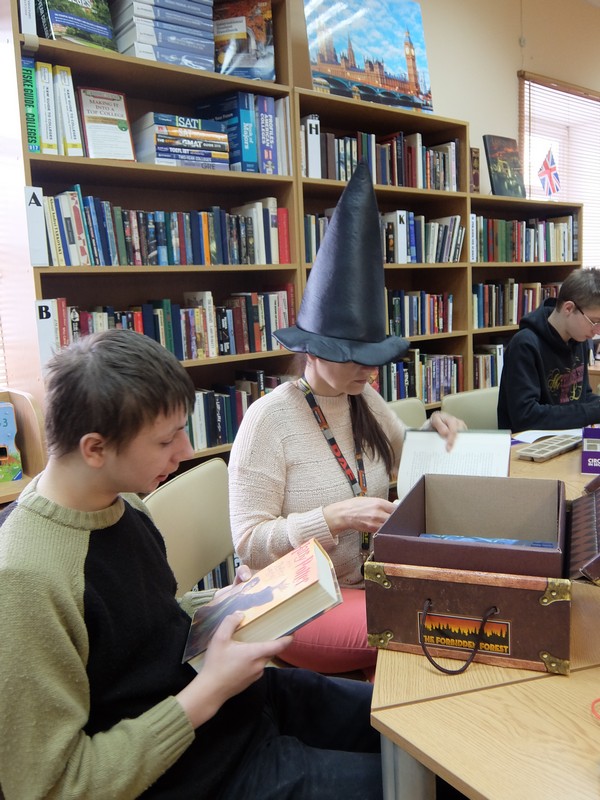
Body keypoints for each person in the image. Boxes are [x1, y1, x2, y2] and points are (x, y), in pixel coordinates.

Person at [0, 328, 384, 800]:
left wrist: (225, 603)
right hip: (202, 771)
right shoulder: (24, 581)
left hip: (240, 705)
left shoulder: (120, 502)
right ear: (95, 449)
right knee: (420, 784)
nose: (185, 452)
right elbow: (52, 786)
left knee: (412, 726)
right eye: (166, 441)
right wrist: (210, 692)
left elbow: (144, 628)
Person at [228, 162, 465, 678]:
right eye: (354, 356)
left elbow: (405, 458)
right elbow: (248, 544)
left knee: (464, 609)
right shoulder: (268, 420)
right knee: (426, 631)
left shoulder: (363, 396)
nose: (368, 369)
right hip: (293, 595)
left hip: (363, 583)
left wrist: (437, 433)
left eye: (374, 356)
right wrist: (333, 518)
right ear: (313, 349)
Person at [498, 268, 600, 432]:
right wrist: (592, 412)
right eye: (594, 322)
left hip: (567, 438)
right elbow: (526, 417)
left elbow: (583, 397)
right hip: (527, 444)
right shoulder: (524, 345)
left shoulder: (578, 338)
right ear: (568, 308)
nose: (597, 331)